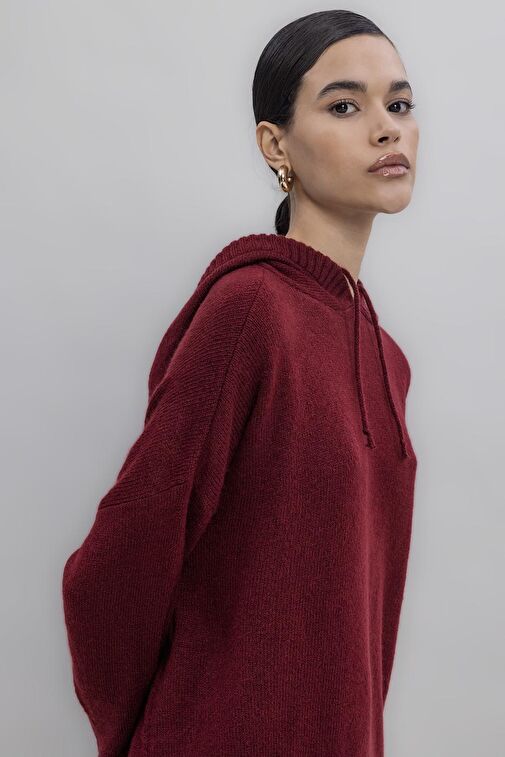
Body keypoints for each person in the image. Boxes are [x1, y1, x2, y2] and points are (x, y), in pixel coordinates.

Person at [61, 9, 419, 756]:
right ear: (275, 144)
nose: (386, 129)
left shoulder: (387, 359)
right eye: (344, 106)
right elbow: (114, 568)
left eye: (400, 103)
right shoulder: (250, 310)